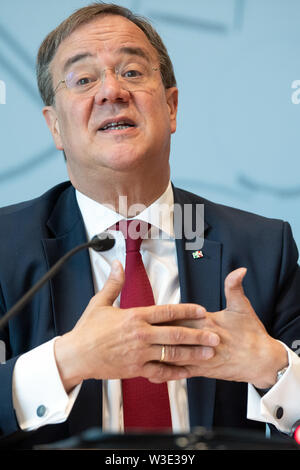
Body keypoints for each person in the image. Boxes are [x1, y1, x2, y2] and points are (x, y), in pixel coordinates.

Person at [1, 2, 300, 449]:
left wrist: (272, 366)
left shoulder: (261, 247)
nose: (111, 92)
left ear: (172, 106)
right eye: (84, 80)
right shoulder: (6, 247)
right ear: (55, 128)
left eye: (133, 73)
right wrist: (66, 362)